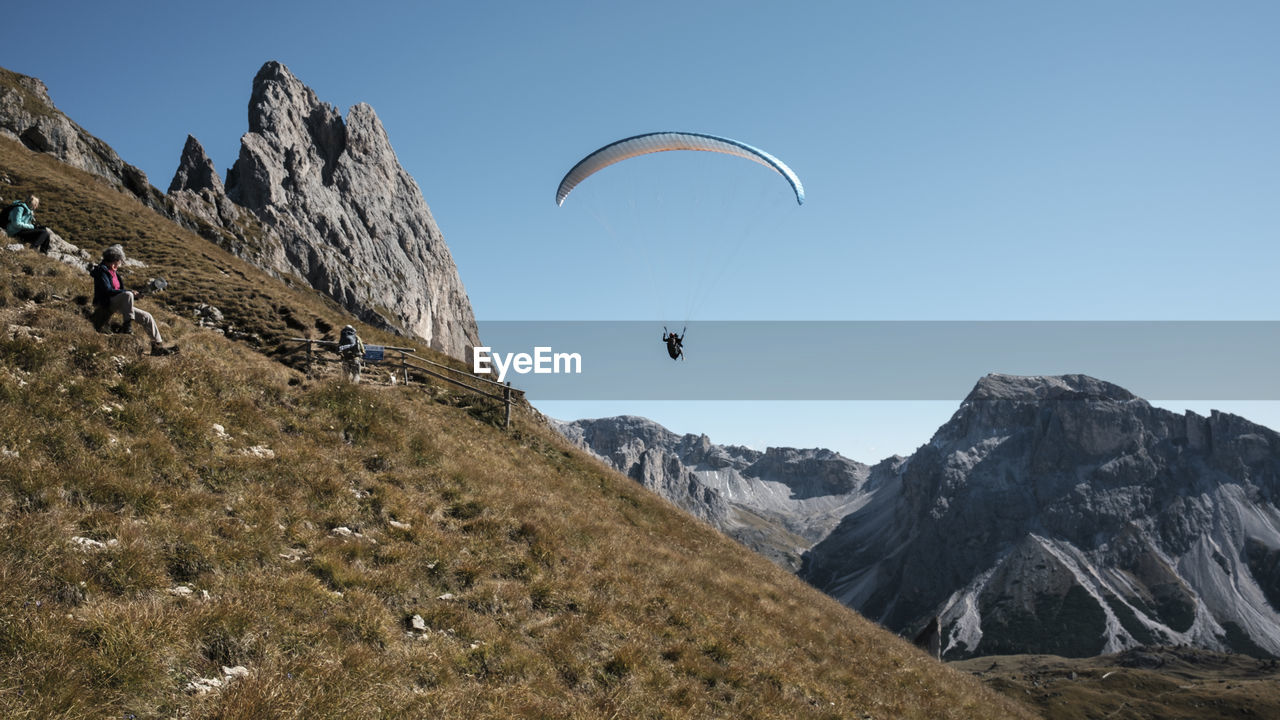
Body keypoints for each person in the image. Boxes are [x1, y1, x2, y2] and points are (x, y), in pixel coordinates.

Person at [90, 247, 178, 356]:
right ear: (115, 261)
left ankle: (157, 346)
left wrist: (135, 296)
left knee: (147, 316)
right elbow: (108, 290)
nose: (121, 263)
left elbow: (120, 292)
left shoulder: (115, 273)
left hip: (116, 303)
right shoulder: (101, 271)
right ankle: (127, 326)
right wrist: (129, 292)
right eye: (120, 261)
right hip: (105, 303)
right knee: (127, 294)